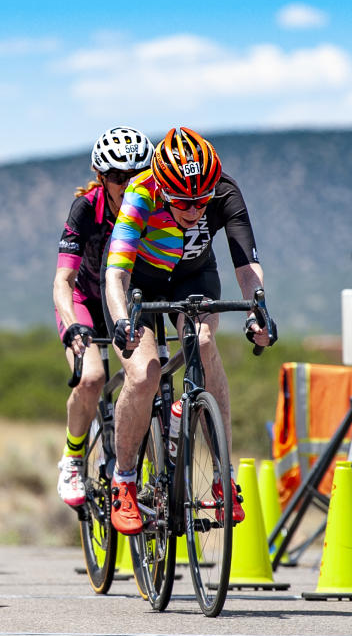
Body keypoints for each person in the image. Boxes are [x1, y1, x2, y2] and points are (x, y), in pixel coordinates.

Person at [105, 127, 276, 535]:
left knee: (202, 341)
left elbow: (245, 266)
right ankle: (124, 481)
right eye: (183, 202)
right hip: (139, 283)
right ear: (162, 187)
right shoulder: (140, 194)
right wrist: (123, 321)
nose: (195, 210)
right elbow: (116, 274)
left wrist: (259, 310)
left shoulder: (224, 192)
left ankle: (223, 477)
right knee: (144, 373)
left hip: (193, 277)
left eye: (201, 201)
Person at [51, 127, 153, 507]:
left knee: (148, 375)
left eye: (136, 175)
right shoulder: (86, 209)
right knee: (92, 376)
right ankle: (73, 457)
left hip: (127, 301)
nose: (126, 185)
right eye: (116, 177)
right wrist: (73, 324)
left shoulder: (153, 207)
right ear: (101, 177)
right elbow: (63, 280)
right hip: (85, 300)